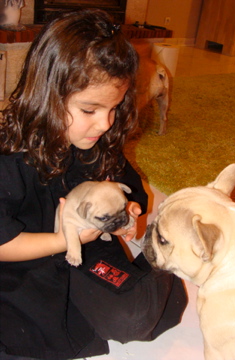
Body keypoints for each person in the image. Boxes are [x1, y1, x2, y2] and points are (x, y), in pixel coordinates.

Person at [0, 9, 187, 360]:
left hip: (89, 253)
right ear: (48, 95)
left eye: (114, 108)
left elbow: (130, 189)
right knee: (22, 336)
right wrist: (63, 240)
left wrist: (129, 211)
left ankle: (166, 259)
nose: (104, 123)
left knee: (140, 315)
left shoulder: (96, 142)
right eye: (89, 110)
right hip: (25, 267)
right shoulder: (9, 158)